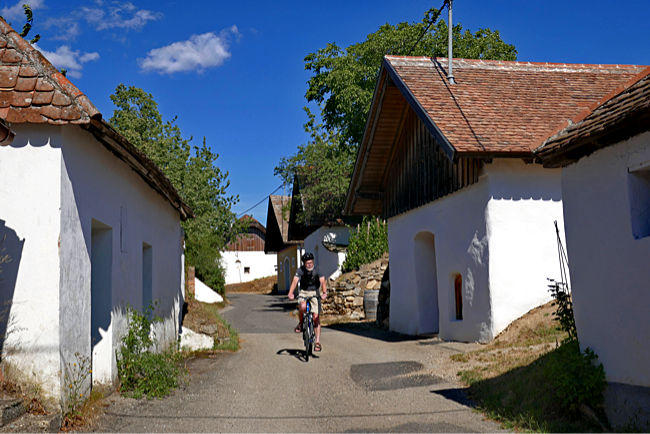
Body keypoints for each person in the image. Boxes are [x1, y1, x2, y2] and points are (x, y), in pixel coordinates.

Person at [288, 252, 327, 352]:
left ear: (313, 262)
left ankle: (317, 342)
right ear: (304, 264)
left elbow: (323, 281)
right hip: (304, 292)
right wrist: (290, 293)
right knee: (303, 306)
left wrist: (324, 293)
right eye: (307, 263)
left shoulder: (317, 269)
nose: (309, 264)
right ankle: (301, 323)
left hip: (314, 292)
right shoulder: (300, 270)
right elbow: (295, 281)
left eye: (311, 262)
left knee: (315, 317)